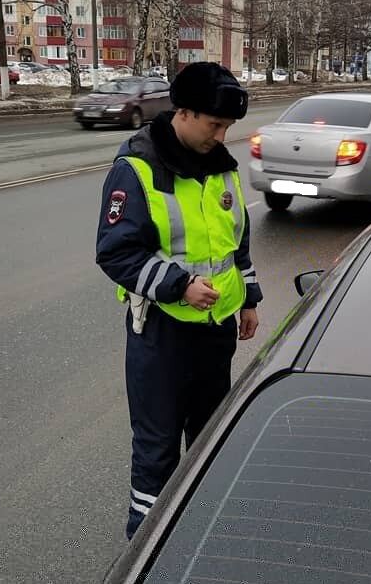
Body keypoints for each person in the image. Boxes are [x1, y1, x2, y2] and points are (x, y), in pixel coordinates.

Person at [94, 62, 262, 540]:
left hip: (217, 330)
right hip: (163, 333)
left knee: (210, 434)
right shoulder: (137, 169)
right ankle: (143, 555)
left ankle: (199, 532)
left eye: (228, 126)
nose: (222, 134)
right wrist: (178, 284)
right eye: (215, 125)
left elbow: (235, 242)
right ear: (182, 112)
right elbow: (116, 253)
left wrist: (248, 297)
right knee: (158, 447)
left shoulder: (220, 166)